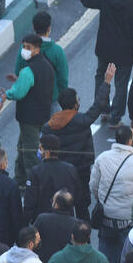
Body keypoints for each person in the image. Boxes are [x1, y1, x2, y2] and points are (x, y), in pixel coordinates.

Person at [71, 0, 133, 123]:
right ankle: (116, 116)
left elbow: (88, 1)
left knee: (102, 77)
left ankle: (102, 109)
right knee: (121, 83)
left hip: (105, 49)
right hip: (124, 52)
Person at [42, 65, 115, 209]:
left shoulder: (49, 126)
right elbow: (98, 105)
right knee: (82, 202)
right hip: (82, 168)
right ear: (76, 104)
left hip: (60, 168)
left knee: (63, 200)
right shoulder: (82, 120)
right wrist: (106, 82)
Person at [91, 125, 133, 263]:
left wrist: (102, 200)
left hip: (106, 218)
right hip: (128, 220)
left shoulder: (102, 158)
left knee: (105, 261)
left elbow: (93, 185)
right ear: (131, 141)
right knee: (127, 262)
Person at [1, 34, 55, 186]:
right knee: (22, 147)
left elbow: (18, 93)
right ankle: (20, 179)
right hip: (43, 114)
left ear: (37, 49)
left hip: (29, 118)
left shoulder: (27, 71)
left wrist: (7, 94)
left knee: (29, 152)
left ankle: (34, 184)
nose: (24, 51)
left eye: (28, 48)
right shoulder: (47, 66)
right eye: (23, 47)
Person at [13, 11, 69, 108]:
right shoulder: (57, 51)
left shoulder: (24, 49)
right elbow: (63, 79)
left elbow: (18, 72)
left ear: (34, 28)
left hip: (30, 100)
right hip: (51, 99)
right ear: (49, 28)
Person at [23, 134, 82, 223]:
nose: (39, 151)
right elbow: (78, 197)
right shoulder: (70, 169)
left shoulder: (36, 171)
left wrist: (25, 223)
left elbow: (29, 202)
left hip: (42, 221)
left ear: (47, 152)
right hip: (66, 220)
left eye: (40, 149)